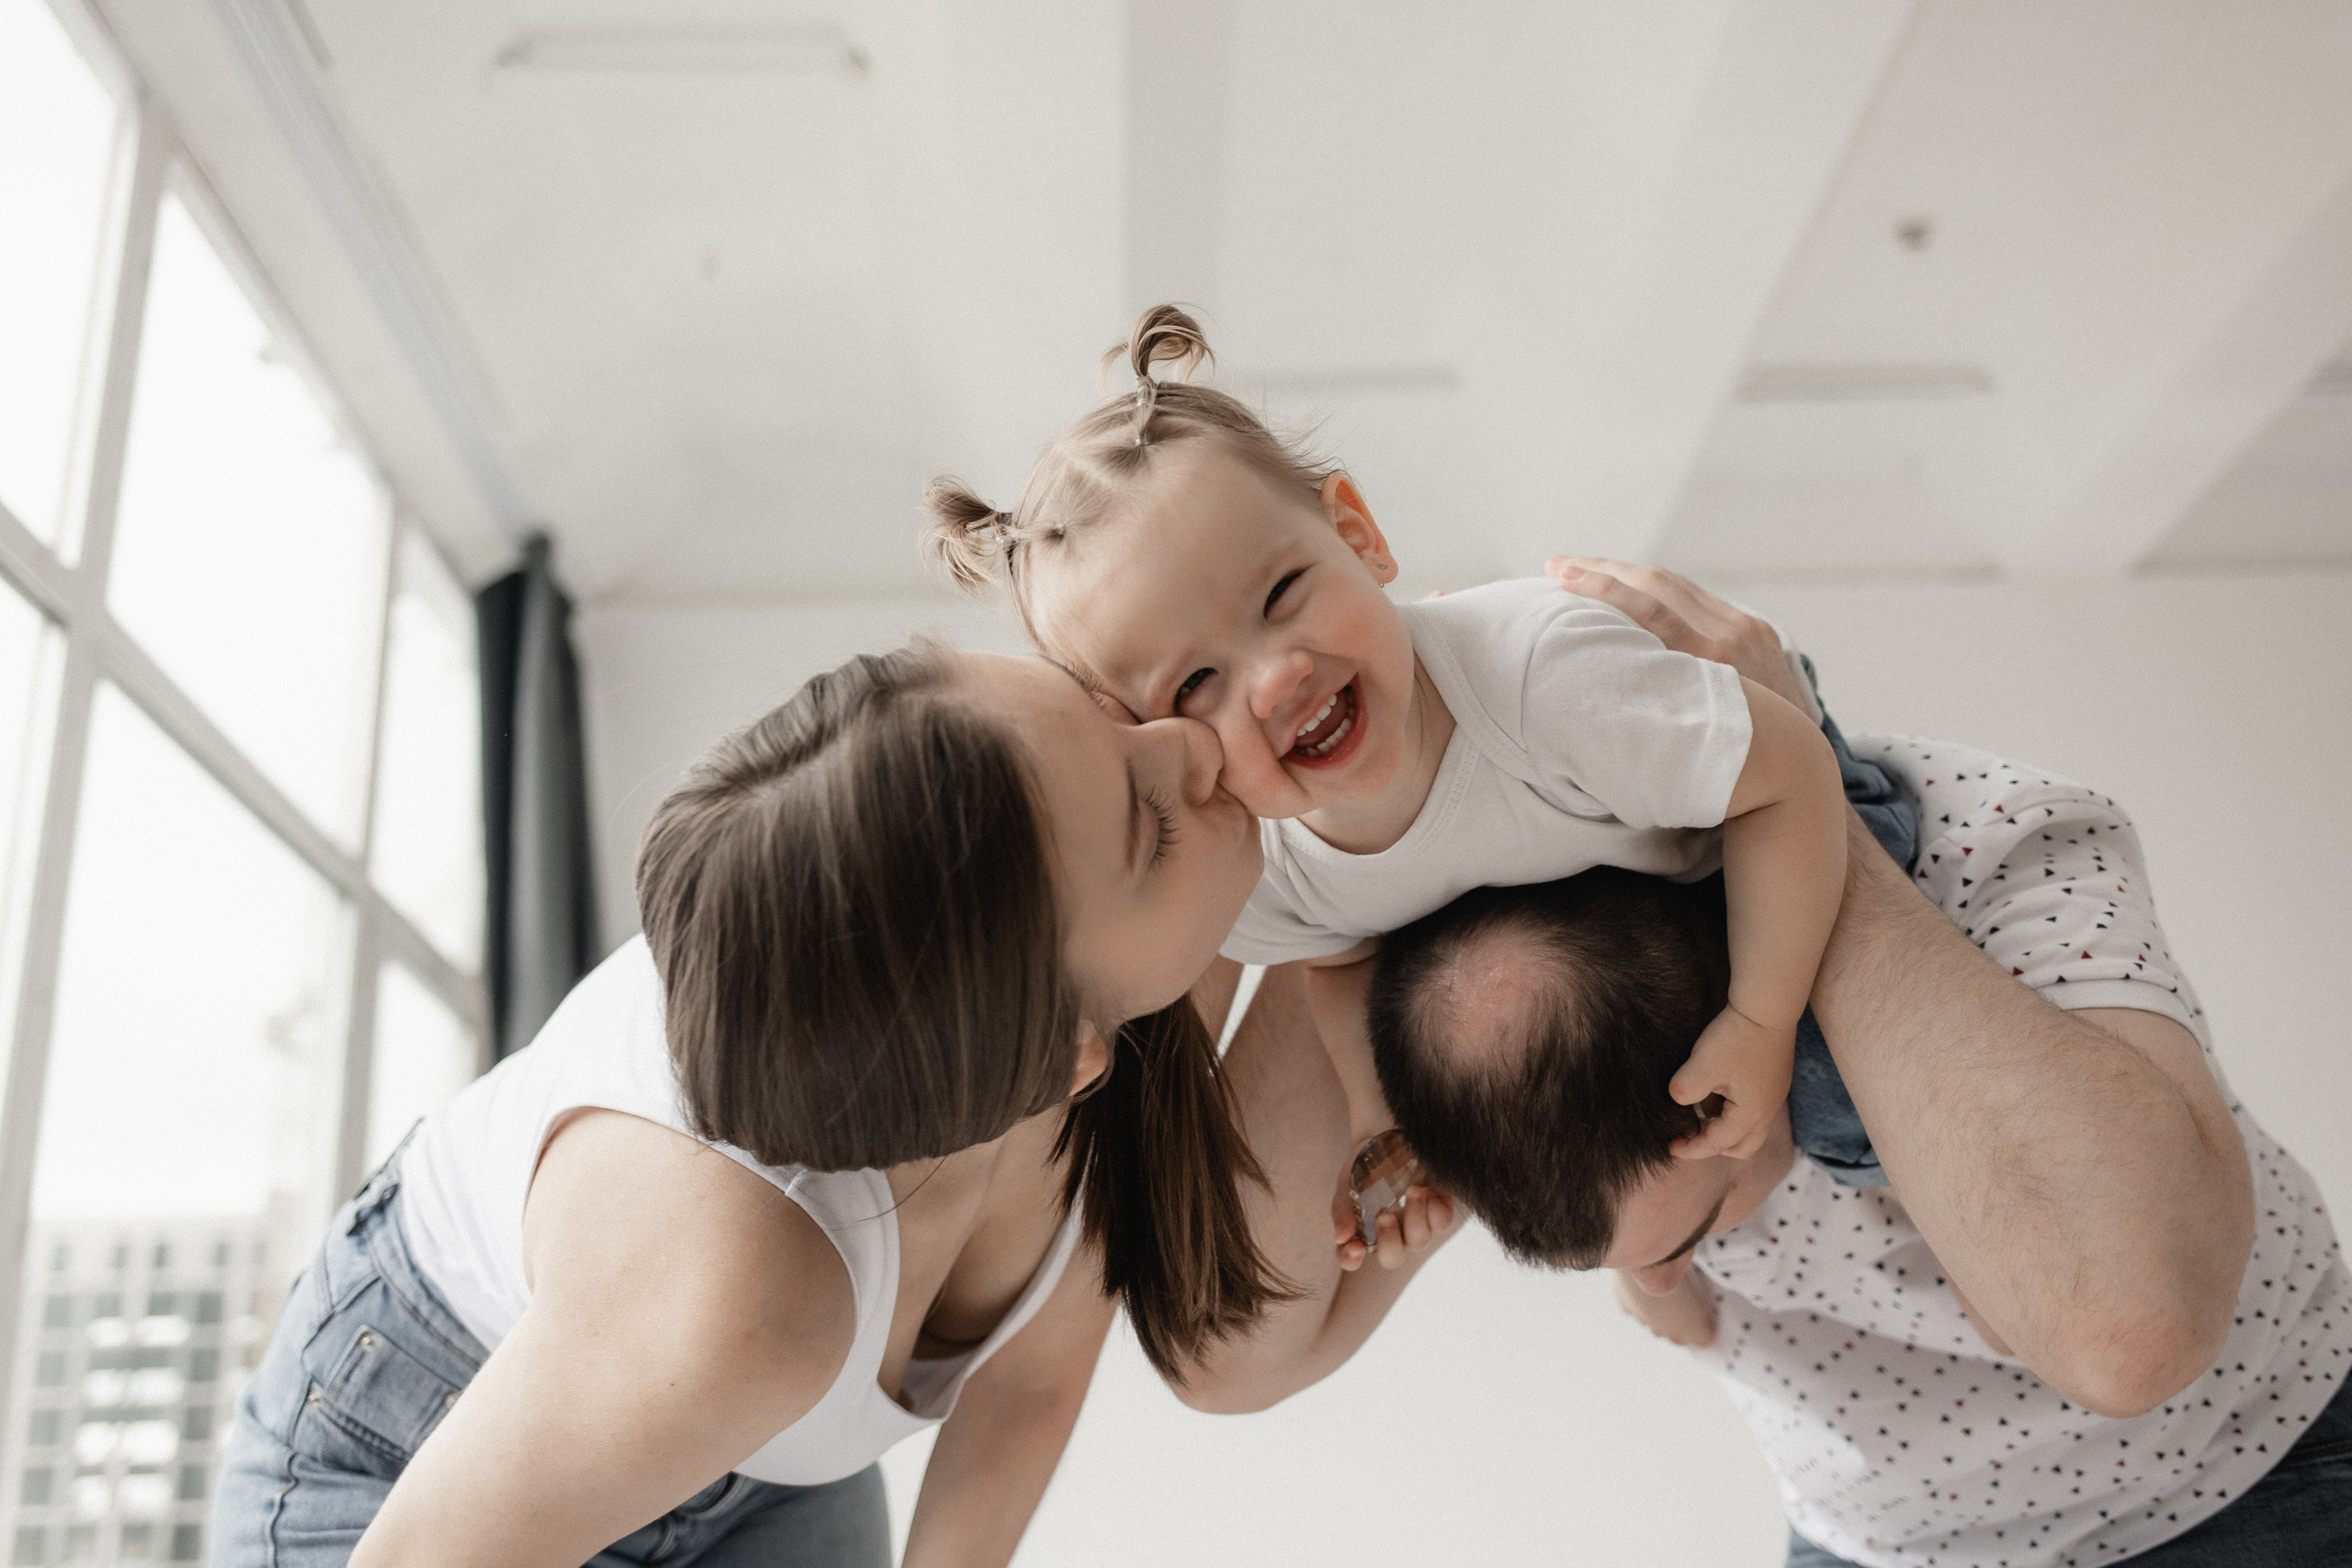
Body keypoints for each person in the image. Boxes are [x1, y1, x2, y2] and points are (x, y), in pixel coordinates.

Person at [1329, 566, 2351, 1565]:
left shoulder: (1986, 845)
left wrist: (1806, 793)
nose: (1682, 1260)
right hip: (1873, 1541)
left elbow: (2116, 1321)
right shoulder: (1522, 1022)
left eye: (1690, 1228)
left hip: (2239, 1473)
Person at [208, 642, 1299, 1567]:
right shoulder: (745, 1299)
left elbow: (1028, 1389)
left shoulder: (1131, 988)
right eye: (1146, 827)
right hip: (415, 1443)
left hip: (760, 1462)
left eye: (1108, 714)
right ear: (1055, 1054)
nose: (1188, 742)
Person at [924, 305, 1854, 1168]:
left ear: (1358, 536)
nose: (1276, 675)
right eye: (1197, 683)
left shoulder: (1543, 689)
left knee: (1825, 1092)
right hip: (1639, 917)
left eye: (1282, 594)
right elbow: (1341, 959)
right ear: (1159, 739)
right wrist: (1382, 1122)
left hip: (1769, 808)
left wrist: (1763, 1017)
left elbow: (1790, 777)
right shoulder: (1267, 879)